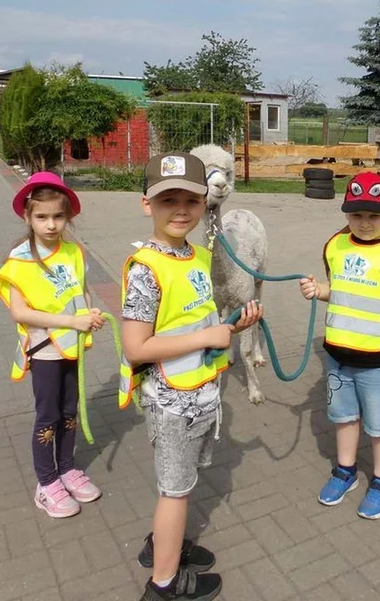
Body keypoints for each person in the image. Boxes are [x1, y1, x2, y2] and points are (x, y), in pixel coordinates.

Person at [120, 153, 262, 601]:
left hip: (199, 394)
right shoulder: (147, 270)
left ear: (205, 204)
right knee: (175, 492)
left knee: (179, 488)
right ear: (148, 204)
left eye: (190, 200)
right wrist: (212, 337)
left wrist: (233, 327)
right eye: (168, 200)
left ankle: (161, 545)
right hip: (171, 402)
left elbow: (199, 321)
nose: (180, 209)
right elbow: (136, 347)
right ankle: (162, 584)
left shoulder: (198, 256)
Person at [299, 171, 380, 520]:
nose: (365, 223)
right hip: (337, 355)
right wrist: (318, 291)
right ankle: (345, 470)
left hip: (379, 359)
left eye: (374, 215)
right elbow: (336, 289)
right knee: (344, 417)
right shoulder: (335, 245)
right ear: (345, 213)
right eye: (357, 215)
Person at [0, 172, 106, 519]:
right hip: (44, 350)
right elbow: (19, 310)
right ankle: (46, 482)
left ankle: (67, 468)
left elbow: (81, 290)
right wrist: (72, 322)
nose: (51, 224)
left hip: (70, 347)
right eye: (42, 217)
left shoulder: (73, 252)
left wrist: (90, 311)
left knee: (69, 411)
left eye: (58, 216)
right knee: (48, 415)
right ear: (27, 217)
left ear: (68, 216)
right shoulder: (21, 260)